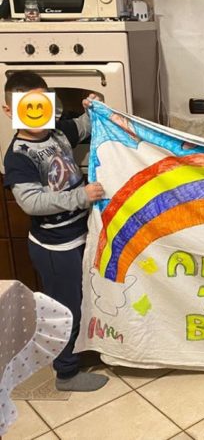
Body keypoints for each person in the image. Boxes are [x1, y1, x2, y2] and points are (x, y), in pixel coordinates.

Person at [2, 71, 107, 391]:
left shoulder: (58, 132)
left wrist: (94, 106)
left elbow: (86, 125)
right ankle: (66, 373)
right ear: (9, 110)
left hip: (78, 235)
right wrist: (81, 197)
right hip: (54, 247)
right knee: (66, 308)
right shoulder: (18, 156)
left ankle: (76, 354)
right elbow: (31, 203)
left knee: (82, 298)